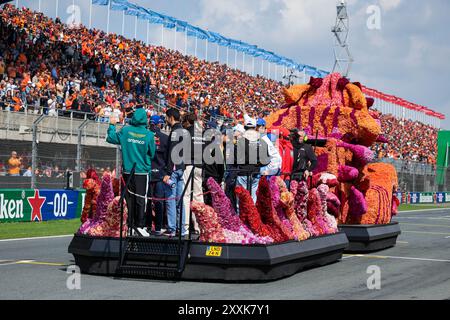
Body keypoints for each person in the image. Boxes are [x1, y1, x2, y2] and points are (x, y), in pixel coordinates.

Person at [107, 108, 156, 237]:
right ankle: (139, 226)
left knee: (128, 199)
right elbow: (152, 153)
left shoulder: (126, 130)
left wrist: (112, 124)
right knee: (141, 199)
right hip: (142, 172)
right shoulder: (149, 135)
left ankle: (129, 226)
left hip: (127, 172)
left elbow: (111, 138)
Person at [162, 108, 186, 237]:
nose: (166, 120)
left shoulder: (175, 132)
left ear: (171, 117)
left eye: (166, 117)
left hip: (174, 169)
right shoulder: (183, 130)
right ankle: (181, 229)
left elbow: (172, 152)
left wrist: (168, 172)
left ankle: (172, 228)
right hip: (181, 168)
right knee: (179, 200)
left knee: (171, 200)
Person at [146, 115, 171, 236]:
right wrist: (168, 173)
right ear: (160, 124)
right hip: (161, 174)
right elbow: (169, 158)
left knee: (146, 201)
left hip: (147, 173)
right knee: (159, 202)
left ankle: (146, 225)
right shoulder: (166, 138)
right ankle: (158, 227)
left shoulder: (146, 135)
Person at [181, 112, 205, 236]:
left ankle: (185, 226)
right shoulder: (202, 133)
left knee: (185, 195)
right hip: (200, 166)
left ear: (187, 121)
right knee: (198, 195)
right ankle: (200, 225)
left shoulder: (185, 133)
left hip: (188, 165)